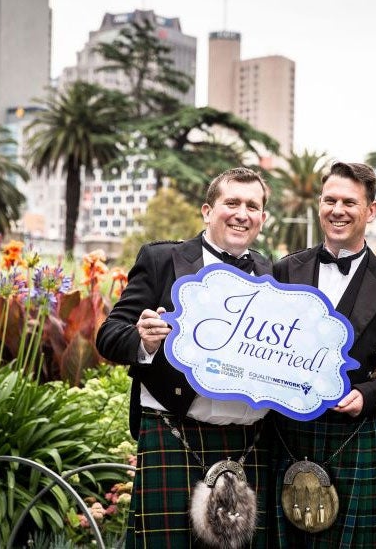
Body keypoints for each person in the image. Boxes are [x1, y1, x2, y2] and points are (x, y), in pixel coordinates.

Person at [96, 167, 273, 548]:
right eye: (232, 203)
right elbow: (109, 335)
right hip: (174, 432)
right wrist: (143, 341)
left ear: (263, 218)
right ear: (208, 211)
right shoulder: (162, 260)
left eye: (252, 206)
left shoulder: (271, 274)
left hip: (249, 442)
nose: (242, 213)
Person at [270, 161, 376, 548]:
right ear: (319, 205)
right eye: (330, 200)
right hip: (285, 432)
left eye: (349, 202)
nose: (337, 210)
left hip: (351, 434)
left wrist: (367, 397)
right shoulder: (286, 270)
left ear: (371, 210)